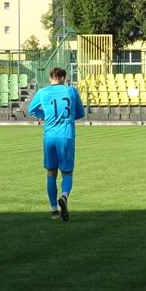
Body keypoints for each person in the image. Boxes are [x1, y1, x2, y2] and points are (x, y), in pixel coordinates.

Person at [27, 67, 86, 221]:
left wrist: (45, 115)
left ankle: (54, 210)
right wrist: (67, 117)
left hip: (49, 136)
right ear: (63, 78)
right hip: (66, 135)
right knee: (67, 172)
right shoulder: (71, 91)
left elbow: (31, 109)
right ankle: (64, 196)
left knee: (51, 172)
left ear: (50, 78)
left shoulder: (42, 92)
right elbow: (80, 113)